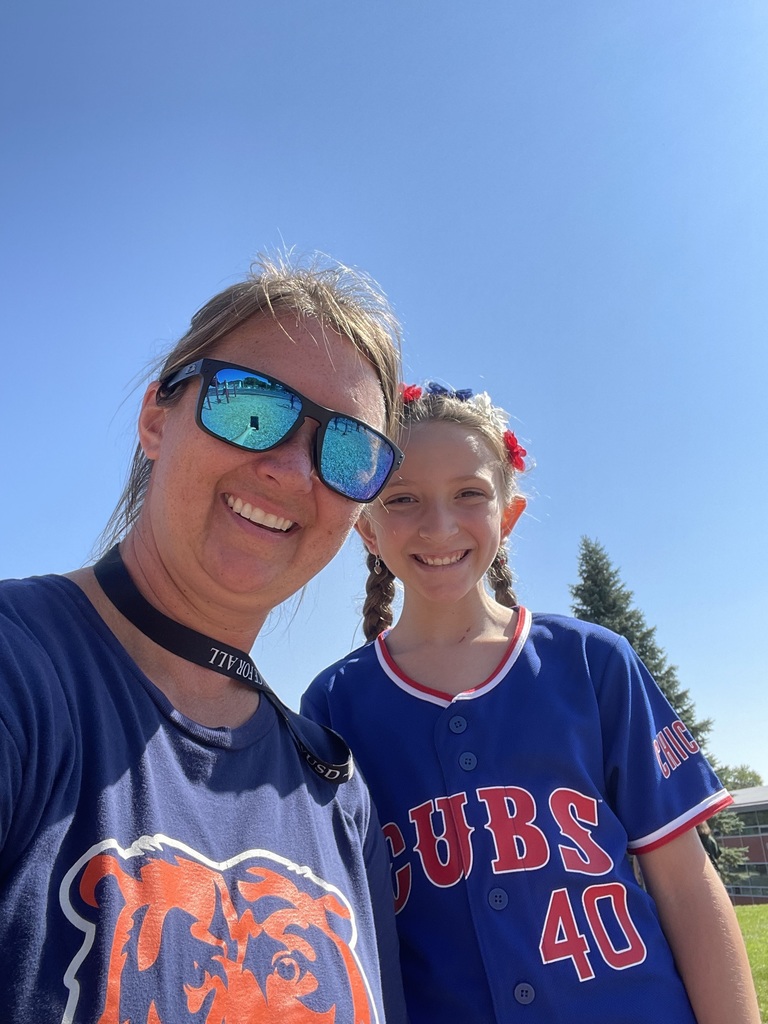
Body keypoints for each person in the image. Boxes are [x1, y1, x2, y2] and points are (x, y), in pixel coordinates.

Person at [0, 254, 410, 1023]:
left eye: (349, 452)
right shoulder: (20, 677)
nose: (293, 469)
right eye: (250, 407)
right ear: (158, 418)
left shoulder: (334, 792)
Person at [301, 381, 760, 1024]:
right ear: (367, 529)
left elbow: (685, 885)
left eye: (469, 494)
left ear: (507, 515)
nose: (439, 525)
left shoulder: (591, 662)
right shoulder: (334, 703)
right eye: (402, 499)